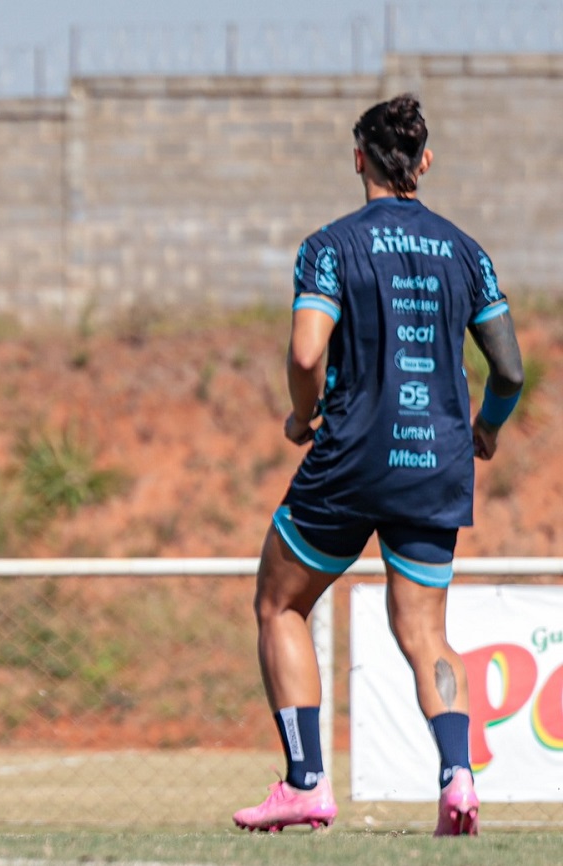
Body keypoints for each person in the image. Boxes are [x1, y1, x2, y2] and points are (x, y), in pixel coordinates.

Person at [232, 94, 523, 836]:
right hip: (436, 461)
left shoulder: (330, 246)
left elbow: (306, 351)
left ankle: (305, 783)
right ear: (423, 163)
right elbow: (510, 370)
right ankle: (458, 778)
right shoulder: (468, 252)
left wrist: (304, 413)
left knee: (281, 602)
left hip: (354, 455)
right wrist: (485, 429)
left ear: (358, 158)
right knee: (426, 632)